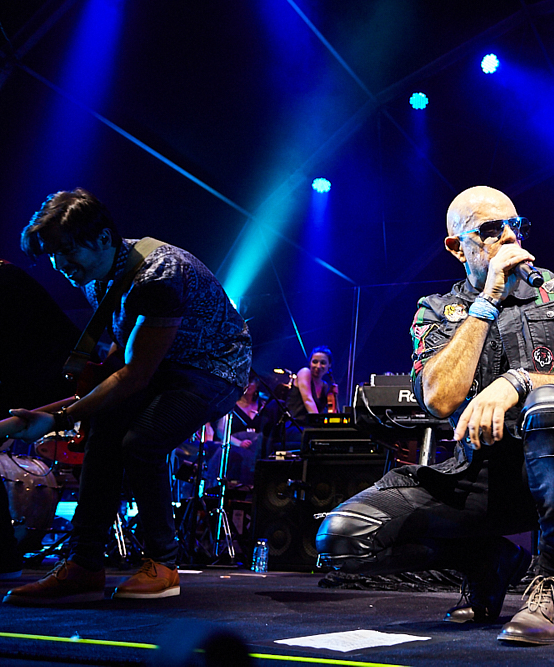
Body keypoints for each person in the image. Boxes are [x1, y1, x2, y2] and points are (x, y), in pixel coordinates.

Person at [316, 185, 554, 645]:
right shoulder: (437, 311)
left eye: (515, 226)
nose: (509, 238)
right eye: (491, 230)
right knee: (343, 538)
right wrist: (486, 302)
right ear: (457, 247)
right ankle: (487, 559)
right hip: (477, 479)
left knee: (551, 402)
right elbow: (438, 399)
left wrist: (518, 382)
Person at [4, 188, 251, 605]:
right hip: (165, 366)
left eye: (67, 250)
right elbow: (123, 364)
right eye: (52, 255)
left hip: (213, 367)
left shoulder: (157, 276)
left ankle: (163, 564)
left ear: (103, 237)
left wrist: (60, 420)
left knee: (142, 443)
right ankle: (85, 565)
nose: (60, 264)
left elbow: (136, 375)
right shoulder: (100, 279)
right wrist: (31, 419)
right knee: (105, 427)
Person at [0, 260, 81, 580]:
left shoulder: (7, 282)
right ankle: (5, 557)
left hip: (60, 380)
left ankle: (6, 557)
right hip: (40, 379)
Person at [282, 346, 337, 447]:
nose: (318, 366)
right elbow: (308, 400)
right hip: (295, 426)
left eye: (323, 363)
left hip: (310, 428)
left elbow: (325, 412)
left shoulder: (324, 385)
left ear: (329, 365)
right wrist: (319, 427)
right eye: (315, 362)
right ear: (310, 362)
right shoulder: (304, 372)